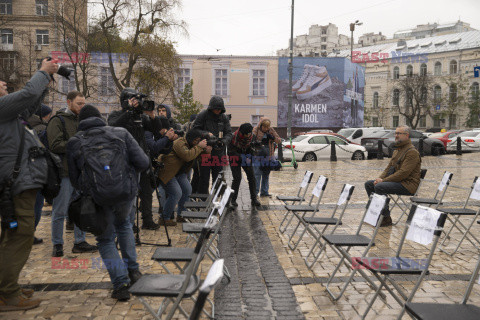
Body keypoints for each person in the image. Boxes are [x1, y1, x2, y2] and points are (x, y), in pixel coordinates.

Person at [67, 105, 149, 301]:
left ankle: (121, 284)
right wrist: (128, 180)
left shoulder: (75, 141)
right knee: (124, 226)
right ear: (100, 117)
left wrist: (90, 189)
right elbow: (144, 163)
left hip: (97, 198)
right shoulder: (121, 133)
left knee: (105, 239)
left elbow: (73, 177)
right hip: (124, 194)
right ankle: (133, 272)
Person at [0, 58, 57, 311]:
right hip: (15, 182)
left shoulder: (8, 114)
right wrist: (42, 72)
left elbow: (30, 104)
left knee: (12, 235)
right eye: (0, 83)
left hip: (17, 181)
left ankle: (6, 285)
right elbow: (28, 94)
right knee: (20, 235)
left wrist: (45, 81)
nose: (4, 83)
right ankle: (8, 294)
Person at [47, 91, 97, 257]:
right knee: (60, 211)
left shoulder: (83, 120)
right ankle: (57, 244)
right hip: (65, 172)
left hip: (81, 172)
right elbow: (55, 145)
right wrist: (78, 143)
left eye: (84, 104)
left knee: (81, 209)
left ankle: (80, 241)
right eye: (79, 104)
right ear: (69, 102)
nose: (82, 107)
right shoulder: (58, 120)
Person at [108, 88, 157, 230]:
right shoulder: (116, 114)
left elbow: (156, 129)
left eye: (137, 100)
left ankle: (147, 220)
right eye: (133, 100)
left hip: (142, 158)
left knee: (147, 192)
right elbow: (112, 126)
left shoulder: (140, 117)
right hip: (125, 159)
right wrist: (128, 112)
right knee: (130, 193)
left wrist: (152, 116)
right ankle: (130, 222)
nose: (136, 103)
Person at [365, 125, 421, 227]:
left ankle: (385, 218)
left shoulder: (412, 152)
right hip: (398, 182)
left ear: (406, 135)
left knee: (380, 187)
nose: (396, 135)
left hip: (408, 185)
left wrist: (383, 181)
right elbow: (388, 168)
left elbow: (403, 173)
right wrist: (380, 178)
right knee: (369, 184)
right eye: (395, 133)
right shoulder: (397, 150)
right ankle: (378, 214)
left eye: (398, 133)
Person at [156, 129, 211, 226]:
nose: (197, 142)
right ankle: (164, 218)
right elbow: (187, 156)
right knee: (176, 193)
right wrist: (199, 147)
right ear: (190, 138)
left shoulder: (192, 145)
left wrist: (206, 151)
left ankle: (182, 215)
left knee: (187, 190)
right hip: (168, 171)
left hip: (179, 173)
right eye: (196, 140)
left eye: (199, 140)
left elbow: (196, 156)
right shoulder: (179, 142)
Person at [193, 96, 232, 194]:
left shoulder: (224, 118)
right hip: (205, 151)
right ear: (211, 108)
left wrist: (223, 141)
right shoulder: (203, 115)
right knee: (204, 179)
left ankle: (215, 201)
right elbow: (195, 130)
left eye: (219, 109)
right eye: (216, 109)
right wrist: (206, 135)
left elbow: (229, 133)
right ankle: (203, 201)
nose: (218, 111)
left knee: (218, 179)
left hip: (219, 152)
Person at [26, 104, 52, 245]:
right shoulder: (41, 128)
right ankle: (29, 234)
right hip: (38, 172)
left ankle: (25, 234)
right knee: (36, 205)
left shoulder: (23, 125)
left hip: (24, 173)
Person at [228, 123, 261, 208]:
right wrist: (240, 157)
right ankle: (233, 200)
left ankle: (254, 199)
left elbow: (254, 149)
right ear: (241, 133)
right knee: (237, 178)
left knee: (251, 177)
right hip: (235, 158)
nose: (247, 135)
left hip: (246, 158)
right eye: (245, 134)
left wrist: (252, 153)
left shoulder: (252, 136)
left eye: (249, 133)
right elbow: (230, 152)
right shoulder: (233, 137)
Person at [252, 118, 281, 197]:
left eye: (267, 127)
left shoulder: (271, 130)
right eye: (264, 127)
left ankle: (264, 192)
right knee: (257, 174)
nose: (266, 129)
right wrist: (259, 141)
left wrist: (273, 138)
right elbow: (251, 139)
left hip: (268, 157)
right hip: (257, 156)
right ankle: (255, 192)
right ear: (261, 125)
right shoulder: (256, 129)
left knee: (266, 174)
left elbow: (279, 140)